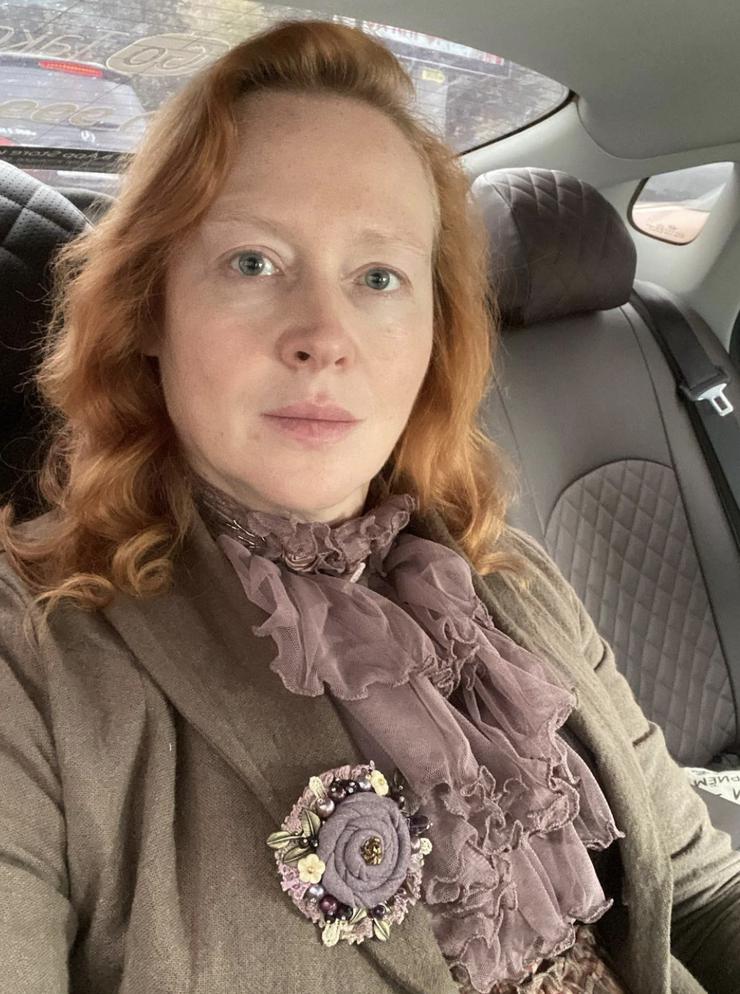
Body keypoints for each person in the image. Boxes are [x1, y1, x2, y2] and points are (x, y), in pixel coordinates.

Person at [0, 18, 738, 994]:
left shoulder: (507, 577)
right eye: (253, 261)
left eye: (378, 277)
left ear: (433, 333)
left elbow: (701, 892)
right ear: (149, 309)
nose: (324, 335)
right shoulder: (33, 658)